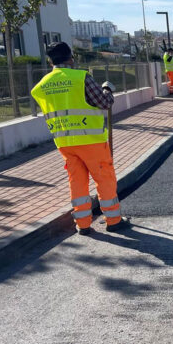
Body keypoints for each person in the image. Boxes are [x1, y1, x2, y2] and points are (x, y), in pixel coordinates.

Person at [30, 42, 131, 235]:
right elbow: (104, 102)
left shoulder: (41, 86)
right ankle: (114, 220)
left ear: (51, 60)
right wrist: (107, 89)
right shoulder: (80, 77)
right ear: (70, 58)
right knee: (104, 178)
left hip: (64, 142)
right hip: (90, 140)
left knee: (77, 181)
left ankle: (83, 224)